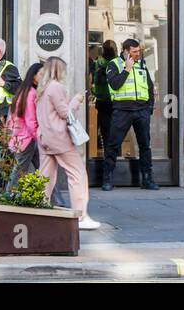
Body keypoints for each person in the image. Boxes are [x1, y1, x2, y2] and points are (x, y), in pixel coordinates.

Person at [35, 56, 101, 230]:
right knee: (77, 174)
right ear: (58, 70)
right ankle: (81, 216)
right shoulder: (56, 87)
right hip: (59, 138)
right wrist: (77, 100)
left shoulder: (42, 88)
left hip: (44, 138)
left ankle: (39, 210)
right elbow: (65, 113)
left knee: (45, 176)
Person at [102, 38, 158, 191]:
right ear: (126, 51)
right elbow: (114, 84)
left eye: (138, 51)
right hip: (122, 110)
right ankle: (107, 179)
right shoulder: (114, 64)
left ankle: (147, 179)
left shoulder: (142, 63)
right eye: (134, 52)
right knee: (113, 145)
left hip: (141, 111)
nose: (137, 54)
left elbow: (149, 86)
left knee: (145, 146)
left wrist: (149, 108)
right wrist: (127, 69)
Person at [7, 62, 44, 190]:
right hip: (28, 139)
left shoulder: (24, 91)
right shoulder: (30, 93)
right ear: (33, 76)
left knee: (45, 169)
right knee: (18, 172)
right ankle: (8, 198)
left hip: (23, 137)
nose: (43, 77)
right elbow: (30, 120)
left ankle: (55, 199)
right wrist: (39, 137)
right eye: (41, 74)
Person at [89, 42, 115, 149]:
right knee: (111, 128)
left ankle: (98, 147)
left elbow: (91, 80)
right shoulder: (116, 64)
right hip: (114, 100)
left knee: (98, 127)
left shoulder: (97, 63)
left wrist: (93, 91)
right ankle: (110, 149)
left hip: (101, 99)